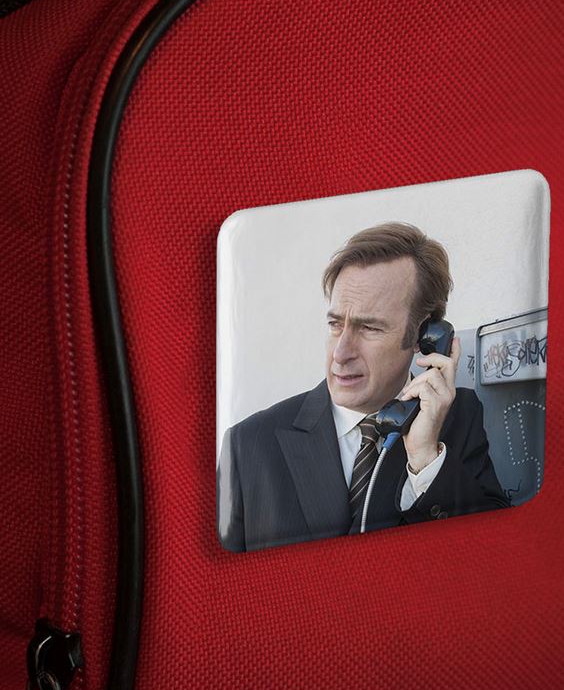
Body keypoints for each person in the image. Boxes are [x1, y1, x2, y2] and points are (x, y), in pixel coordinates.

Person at [218, 222, 508, 552]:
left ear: (423, 335)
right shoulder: (248, 444)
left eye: (369, 328)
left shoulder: (458, 417)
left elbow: (493, 552)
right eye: (335, 324)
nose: (341, 354)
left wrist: (426, 460)